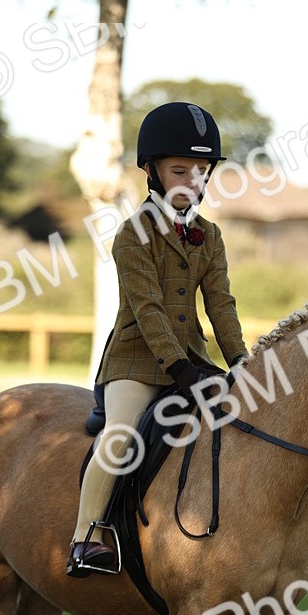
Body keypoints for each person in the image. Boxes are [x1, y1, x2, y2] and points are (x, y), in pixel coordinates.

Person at [67, 101, 248, 577]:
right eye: (180, 169)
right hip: (136, 364)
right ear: (152, 171)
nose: (192, 180)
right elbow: (147, 311)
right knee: (121, 436)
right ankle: (87, 535)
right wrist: (180, 369)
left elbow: (221, 305)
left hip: (194, 362)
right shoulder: (132, 235)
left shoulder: (209, 236)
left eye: (202, 171)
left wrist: (243, 362)